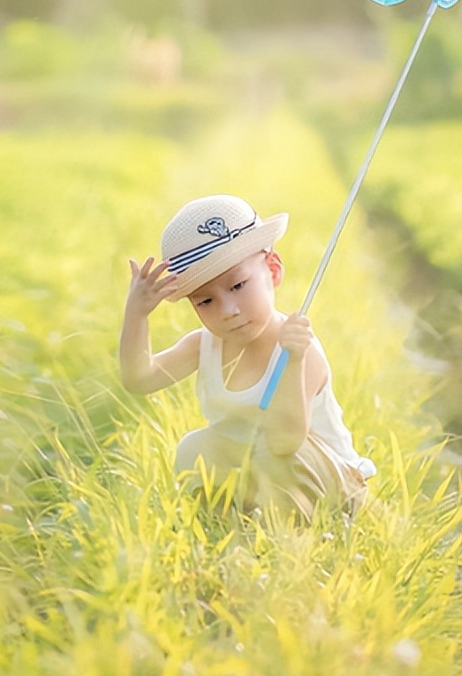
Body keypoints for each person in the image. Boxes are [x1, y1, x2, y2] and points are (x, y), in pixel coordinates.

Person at [119, 193, 375, 520]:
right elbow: (139, 379)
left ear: (273, 270)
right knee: (195, 447)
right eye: (205, 302)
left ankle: (299, 536)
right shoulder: (204, 346)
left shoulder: (299, 348)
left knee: (269, 449)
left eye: (238, 285)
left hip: (334, 488)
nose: (228, 310)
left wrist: (292, 360)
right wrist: (136, 316)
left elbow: (285, 441)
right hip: (261, 478)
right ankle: (230, 526)